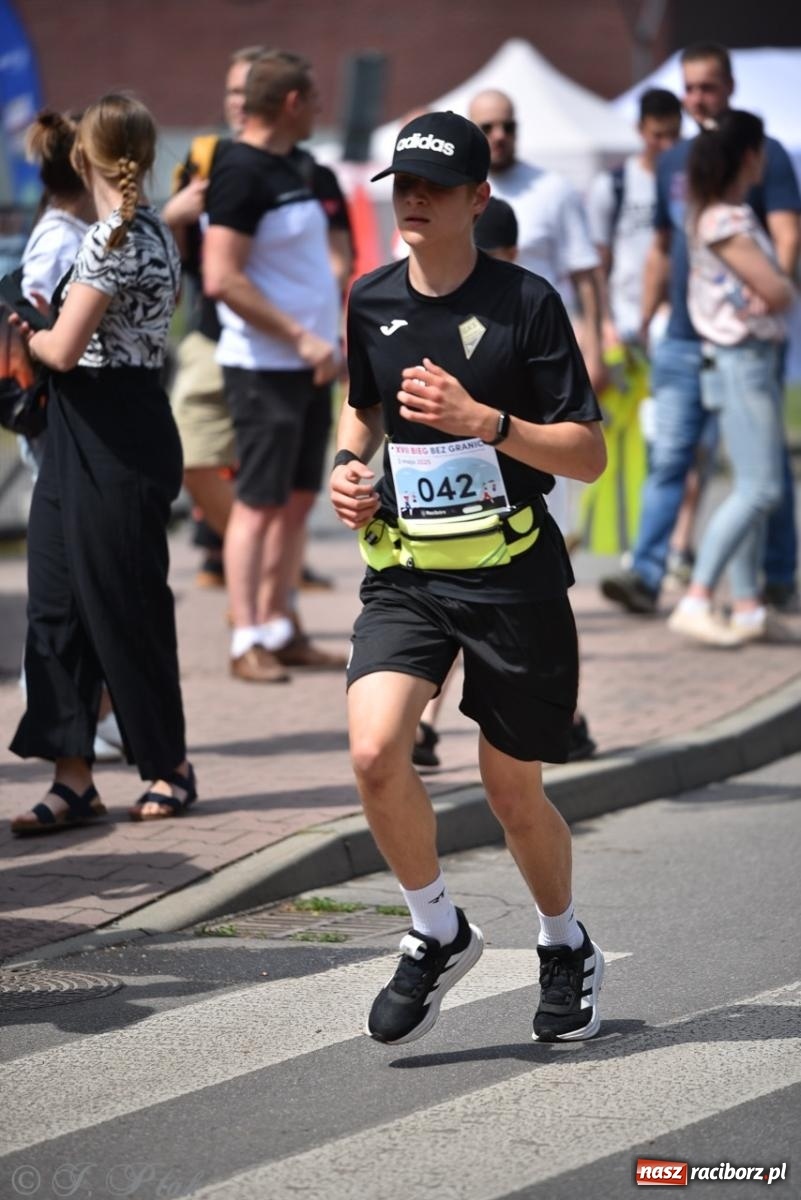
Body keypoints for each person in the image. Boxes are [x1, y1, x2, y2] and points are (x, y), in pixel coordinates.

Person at [330, 111, 607, 1045]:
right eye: (403, 184)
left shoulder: (527, 301)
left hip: (511, 573)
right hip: (406, 569)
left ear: (477, 198)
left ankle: (564, 943)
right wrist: (347, 468)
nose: (413, 199)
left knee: (510, 792)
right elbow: (364, 405)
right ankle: (436, 928)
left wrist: (483, 422)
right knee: (375, 752)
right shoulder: (370, 298)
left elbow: (588, 455)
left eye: (435, 187)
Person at [9, 93, 195, 833]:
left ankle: (169, 766)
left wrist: (28, 331)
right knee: (55, 606)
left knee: (125, 604)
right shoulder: (150, 229)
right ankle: (72, 780)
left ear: (83, 154)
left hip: (115, 431)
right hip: (82, 430)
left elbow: (61, 349)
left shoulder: (114, 237)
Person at [600, 42, 801, 617]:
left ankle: (771, 581)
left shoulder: (761, 151)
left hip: (740, 340)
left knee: (761, 469)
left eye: (708, 86)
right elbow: (663, 248)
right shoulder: (674, 161)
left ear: (729, 86)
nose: (697, 98)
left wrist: (771, 295)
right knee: (672, 459)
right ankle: (649, 574)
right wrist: (646, 317)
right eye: (689, 88)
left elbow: (786, 232)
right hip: (685, 338)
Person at [201, 49, 348, 683]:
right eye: (312, 98)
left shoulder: (297, 167)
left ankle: (281, 626)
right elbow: (221, 277)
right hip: (264, 366)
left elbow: (325, 260)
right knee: (258, 504)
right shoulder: (239, 170)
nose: (320, 108)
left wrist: (324, 340)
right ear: (291, 103)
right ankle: (246, 638)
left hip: (310, 365)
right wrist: (299, 337)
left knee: (296, 501)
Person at [18, 109, 126, 764]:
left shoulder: (72, 232)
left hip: (76, 424)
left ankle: (91, 706)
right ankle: (69, 705)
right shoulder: (59, 240)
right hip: (58, 426)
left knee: (84, 575)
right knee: (71, 578)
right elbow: (34, 327)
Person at [667, 111, 796, 646]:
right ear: (749, 155)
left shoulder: (717, 214)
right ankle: (697, 597)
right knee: (761, 489)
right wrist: (778, 288)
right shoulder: (725, 220)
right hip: (742, 360)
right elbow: (779, 290)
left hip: (739, 361)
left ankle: (746, 608)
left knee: (749, 486)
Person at [587, 88, 682, 348]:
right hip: (626, 320)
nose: (667, 145)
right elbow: (599, 261)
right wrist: (605, 321)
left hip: (679, 321)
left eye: (674, 134)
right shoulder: (613, 184)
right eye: (658, 135)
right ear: (640, 129)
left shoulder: (689, 183)